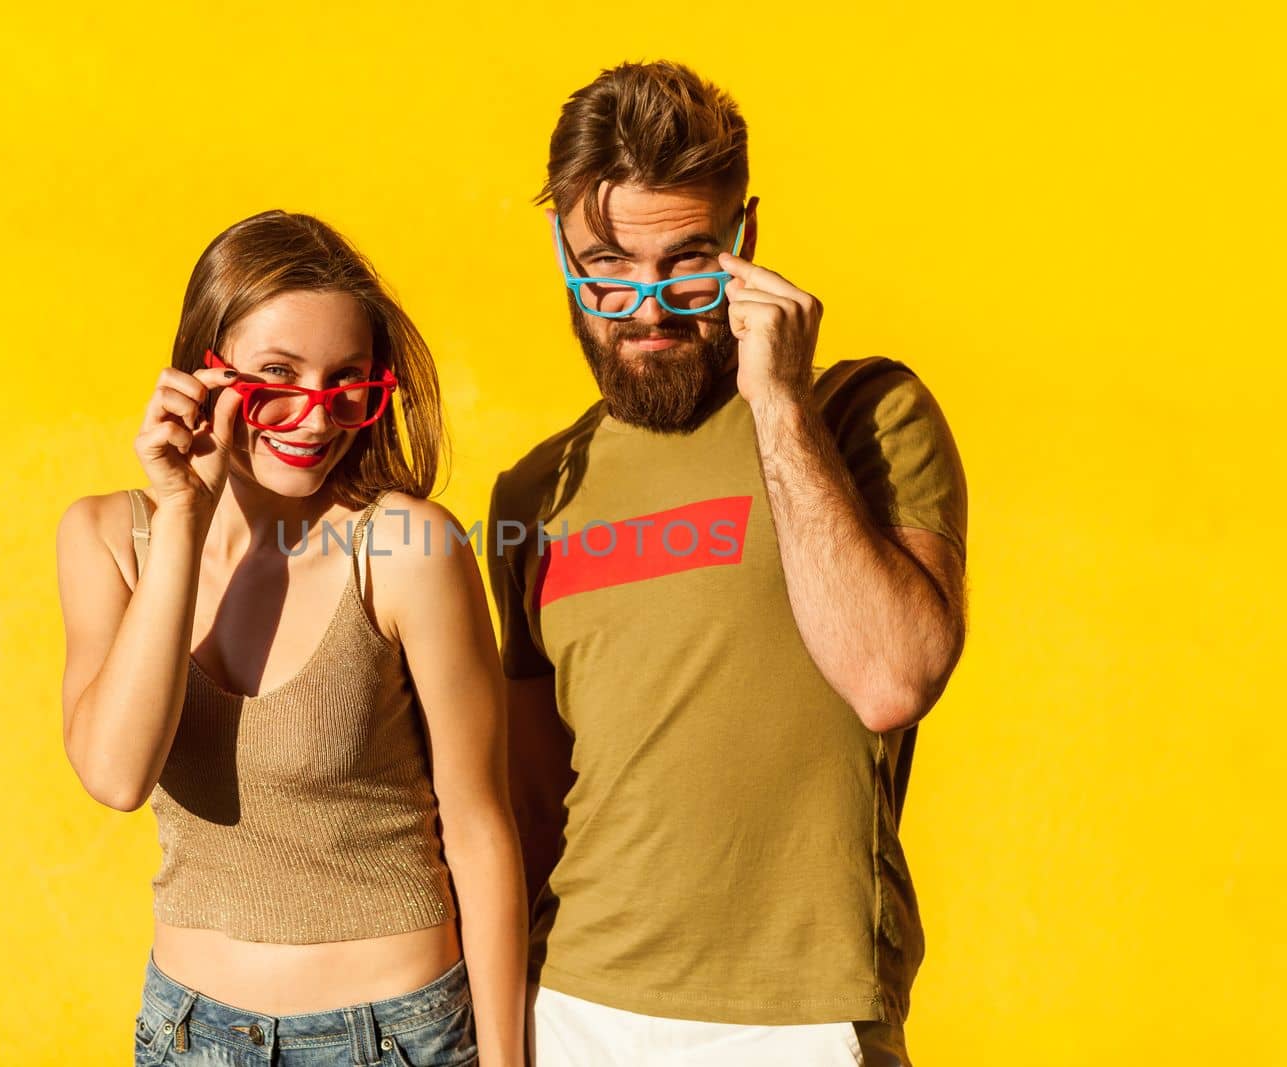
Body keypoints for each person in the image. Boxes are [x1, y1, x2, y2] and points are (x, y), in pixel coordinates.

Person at [487, 62, 969, 1066]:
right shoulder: (533, 492)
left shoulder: (865, 413)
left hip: (797, 1014)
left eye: (689, 260)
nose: (649, 306)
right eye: (607, 266)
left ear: (745, 239)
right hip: (573, 1002)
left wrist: (780, 404)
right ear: (558, 248)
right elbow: (533, 804)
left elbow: (892, 677)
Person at [56, 210, 527, 1067]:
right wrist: (182, 519)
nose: (316, 418)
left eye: (347, 379)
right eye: (277, 375)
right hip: (188, 1033)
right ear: (205, 372)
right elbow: (116, 773)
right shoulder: (103, 538)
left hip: (394, 1036)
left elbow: (479, 827)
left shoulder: (408, 548)